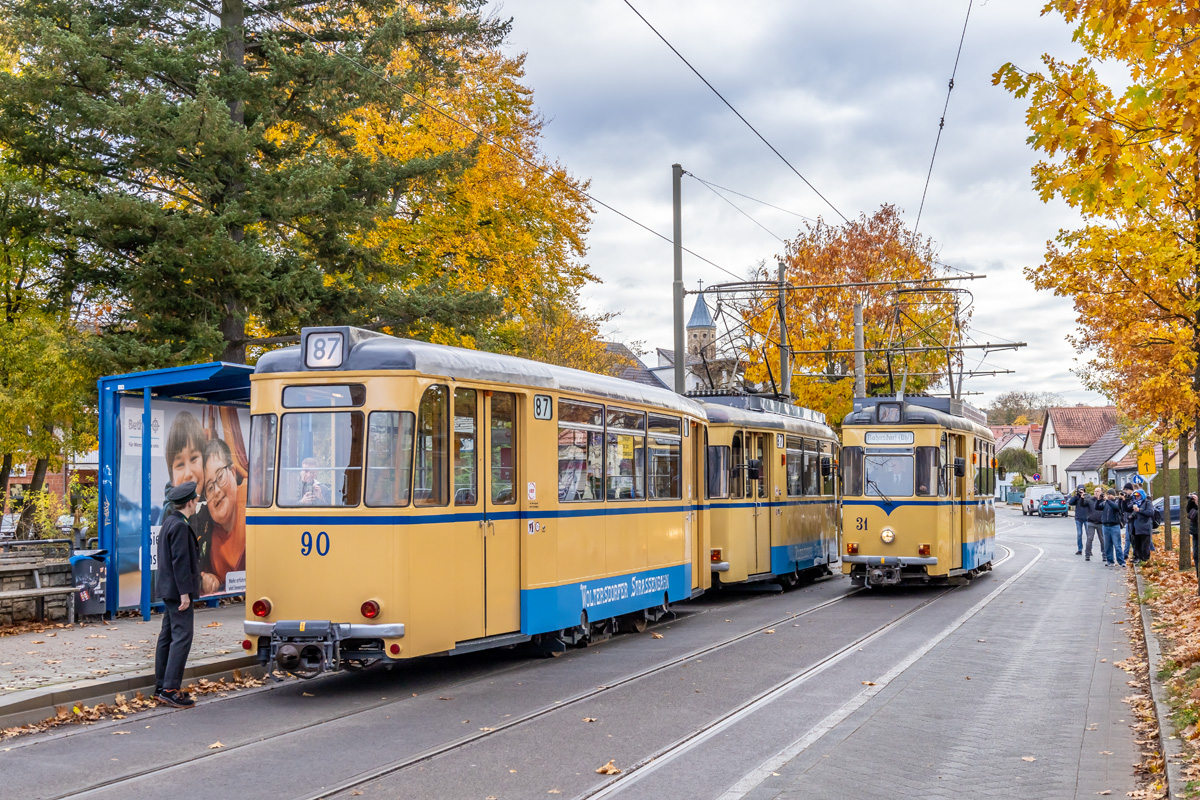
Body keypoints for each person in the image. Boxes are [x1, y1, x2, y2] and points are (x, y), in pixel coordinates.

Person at [154, 481, 201, 709]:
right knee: (182, 636)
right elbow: (180, 562)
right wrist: (185, 593)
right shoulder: (180, 526)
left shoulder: (170, 522)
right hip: (177, 591)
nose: (198, 503)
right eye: (196, 500)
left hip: (167, 589)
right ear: (190, 502)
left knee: (167, 636)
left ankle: (161, 685)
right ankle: (171, 689)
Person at [201, 438, 245, 592]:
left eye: (220, 477)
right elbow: (214, 576)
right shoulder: (209, 536)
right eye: (209, 488)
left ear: (233, 472)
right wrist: (211, 579)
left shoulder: (252, 500)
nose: (217, 490)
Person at [1101, 488, 1125, 567]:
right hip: (1106, 525)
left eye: (1109, 494)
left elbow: (1116, 508)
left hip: (1114, 526)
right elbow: (1097, 507)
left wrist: (1108, 500)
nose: (1108, 496)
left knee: (1117, 545)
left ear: (1113, 495)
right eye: (1107, 494)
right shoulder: (1105, 503)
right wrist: (1098, 500)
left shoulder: (1117, 501)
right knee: (1107, 545)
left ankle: (1121, 562)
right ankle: (1110, 560)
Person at [1130, 489, 1155, 563]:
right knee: (1136, 544)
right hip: (1136, 527)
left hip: (1145, 527)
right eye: (1135, 496)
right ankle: (1137, 557)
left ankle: (1145, 559)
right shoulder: (1135, 503)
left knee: (1145, 545)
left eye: (1138, 496)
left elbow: (1150, 512)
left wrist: (1139, 510)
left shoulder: (1147, 503)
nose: (1136, 498)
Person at [1083, 486, 1104, 562]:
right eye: (1095, 491)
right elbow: (1083, 504)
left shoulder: (1103, 501)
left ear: (1101, 492)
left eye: (1098, 491)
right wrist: (1082, 498)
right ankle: (1087, 555)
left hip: (1100, 523)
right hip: (1091, 522)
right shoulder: (1090, 500)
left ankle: (1104, 555)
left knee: (1102, 539)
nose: (1096, 492)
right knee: (1089, 539)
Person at [1068, 486, 1087, 555]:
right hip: (1078, 518)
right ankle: (1080, 549)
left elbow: (1088, 503)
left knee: (1089, 535)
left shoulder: (1087, 496)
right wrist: (1076, 496)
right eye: (1080, 490)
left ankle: (1089, 549)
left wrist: (1083, 496)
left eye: (1082, 490)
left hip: (1087, 518)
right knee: (1079, 534)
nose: (1081, 491)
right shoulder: (1077, 498)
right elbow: (1070, 502)